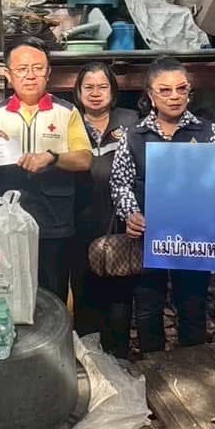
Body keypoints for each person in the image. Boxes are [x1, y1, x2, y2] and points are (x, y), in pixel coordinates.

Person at [111, 57, 215, 352]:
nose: (174, 96)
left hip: (194, 239)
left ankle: (193, 372)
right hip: (150, 238)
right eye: (165, 90)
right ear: (150, 95)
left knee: (193, 308)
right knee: (148, 309)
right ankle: (155, 375)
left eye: (181, 89)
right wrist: (130, 213)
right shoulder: (134, 136)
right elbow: (121, 182)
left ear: (189, 91)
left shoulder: (207, 133)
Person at [0, 36, 92, 300]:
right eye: (22, 69)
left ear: (49, 73)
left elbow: (84, 159)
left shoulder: (66, 112)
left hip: (54, 219)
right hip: (8, 220)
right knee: (12, 293)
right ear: (8, 75)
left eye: (38, 68)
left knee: (53, 294)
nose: (30, 76)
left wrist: (52, 158)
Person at [69, 62, 138, 357]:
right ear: (78, 91)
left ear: (113, 90)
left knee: (120, 300)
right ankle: (91, 366)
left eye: (102, 87)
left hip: (120, 224)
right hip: (77, 223)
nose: (96, 94)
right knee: (84, 297)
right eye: (89, 88)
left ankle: (120, 360)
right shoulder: (68, 122)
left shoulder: (131, 122)